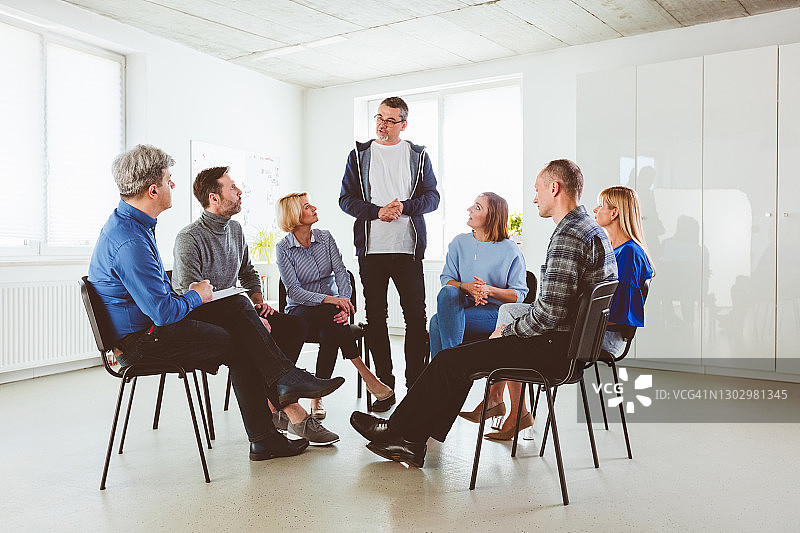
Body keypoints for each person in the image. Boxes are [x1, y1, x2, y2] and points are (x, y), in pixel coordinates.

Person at [348, 159, 618, 467]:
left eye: (538, 190)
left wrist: (508, 330)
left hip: (554, 349)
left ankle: (399, 432)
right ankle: (409, 440)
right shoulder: (591, 230)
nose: (534, 198)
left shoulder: (569, 236)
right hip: (569, 347)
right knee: (455, 359)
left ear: (554, 188)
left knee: (451, 359)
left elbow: (549, 316)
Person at [88, 144, 345, 462]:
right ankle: (274, 412)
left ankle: (277, 405)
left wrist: (233, 297)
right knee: (242, 337)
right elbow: (163, 311)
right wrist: (198, 294)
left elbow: (168, 298)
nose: (172, 186)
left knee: (240, 311)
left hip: (149, 329)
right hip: (142, 341)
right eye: (169, 180)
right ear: (153, 190)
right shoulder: (131, 240)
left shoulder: (132, 227)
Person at [172, 166, 340, 446]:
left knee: (294, 325)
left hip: (236, 310)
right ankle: (288, 396)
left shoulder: (235, 229)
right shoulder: (189, 238)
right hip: (201, 315)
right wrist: (246, 312)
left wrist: (257, 302)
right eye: (232, 188)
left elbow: (248, 273)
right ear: (214, 198)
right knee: (243, 316)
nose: (240, 193)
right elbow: (190, 294)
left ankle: (279, 393)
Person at [339, 96, 440, 411]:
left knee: (415, 317)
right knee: (376, 319)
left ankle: (417, 384)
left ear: (403, 124)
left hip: (408, 250)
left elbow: (432, 197)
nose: (382, 124)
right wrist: (375, 212)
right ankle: (385, 386)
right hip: (372, 251)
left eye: (390, 120)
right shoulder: (358, 155)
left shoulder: (419, 156)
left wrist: (405, 208)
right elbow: (346, 200)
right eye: (378, 118)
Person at [275, 192, 394, 419]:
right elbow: (294, 291)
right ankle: (366, 375)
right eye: (308, 206)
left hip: (331, 314)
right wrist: (332, 300)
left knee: (331, 327)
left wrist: (344, 302)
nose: (314, 208)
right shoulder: (283, 248)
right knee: (330, 316)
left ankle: (316, 398)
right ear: (294, 214)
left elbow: (341, 274)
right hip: (301, 312)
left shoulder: (326, 238)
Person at [429, 193, 527, 362]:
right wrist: (467, 287)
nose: (470, 209)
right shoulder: (458, 243)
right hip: (462, 305)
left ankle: (447, 371)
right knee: (448, 292)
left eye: (477, 207)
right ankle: (451, 369)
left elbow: (519, 295)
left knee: (437, 322)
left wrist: (488, 290)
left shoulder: (510, 250)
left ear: (492, 216)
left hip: (494, 313)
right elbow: (447, 279)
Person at [592, 185, 655, 355]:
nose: (595, 209)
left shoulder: (629, 253)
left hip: (606, 336)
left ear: (614, 213)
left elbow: (619, 313)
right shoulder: (614, 250)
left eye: (601, 205)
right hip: (598, 330)